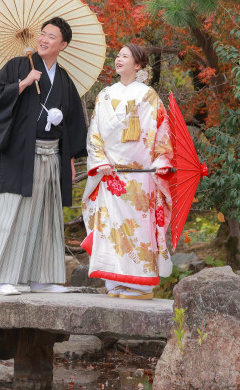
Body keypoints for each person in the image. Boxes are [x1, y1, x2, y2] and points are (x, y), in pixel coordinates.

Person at [0, 17, 88, 296]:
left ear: (63, 45)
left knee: (46, 214)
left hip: (52, 153)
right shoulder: (19, 66)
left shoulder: (64, 79)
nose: (43, 39)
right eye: (42, 34)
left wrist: (68, 157)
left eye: (51, 36)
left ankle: (41, 278)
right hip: (22, 153)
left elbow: (73, 120)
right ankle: (6, 277)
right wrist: (22, 84)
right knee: (15, 210)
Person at [80, 43, 174, 300]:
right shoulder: (105, 95)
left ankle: (142, 285)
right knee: (110, 228)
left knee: (138, 228)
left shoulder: (148, 96)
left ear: (139, 65)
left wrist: (161, 159)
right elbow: (95, 133)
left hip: (140, 176)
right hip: (110, 173)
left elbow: (161, 134)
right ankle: (115, 282)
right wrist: (100, 161)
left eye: (125, 56)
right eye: (118, 55)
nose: (118, 59)